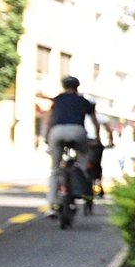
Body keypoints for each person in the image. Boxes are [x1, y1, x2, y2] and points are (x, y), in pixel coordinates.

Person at [46, 76, 101, 205]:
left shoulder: (57, 100)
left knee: (54, 169)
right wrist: (97, 139)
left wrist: (46, 136)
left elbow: (48, 119)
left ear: (64, 87)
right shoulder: (84, 101)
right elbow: (95, 122)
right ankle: (79, 178)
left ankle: (51, 204)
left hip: (57, 131)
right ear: (77, 87)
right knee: (85, 155)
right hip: (77, 131)